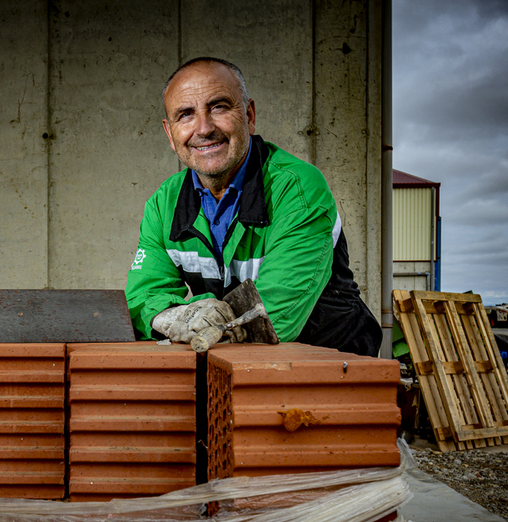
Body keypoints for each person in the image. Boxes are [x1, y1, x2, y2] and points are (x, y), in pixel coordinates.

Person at [125, 57, 381, 356]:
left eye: (218, 107)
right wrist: (173, 316)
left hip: (330, 364)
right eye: (186, 114)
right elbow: (143, 296)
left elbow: (274, 316)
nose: (204, 128)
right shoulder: (163, 204)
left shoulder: (295, 188)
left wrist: (204, 322)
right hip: (235, 366)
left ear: (248, 115)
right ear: (170, 134)